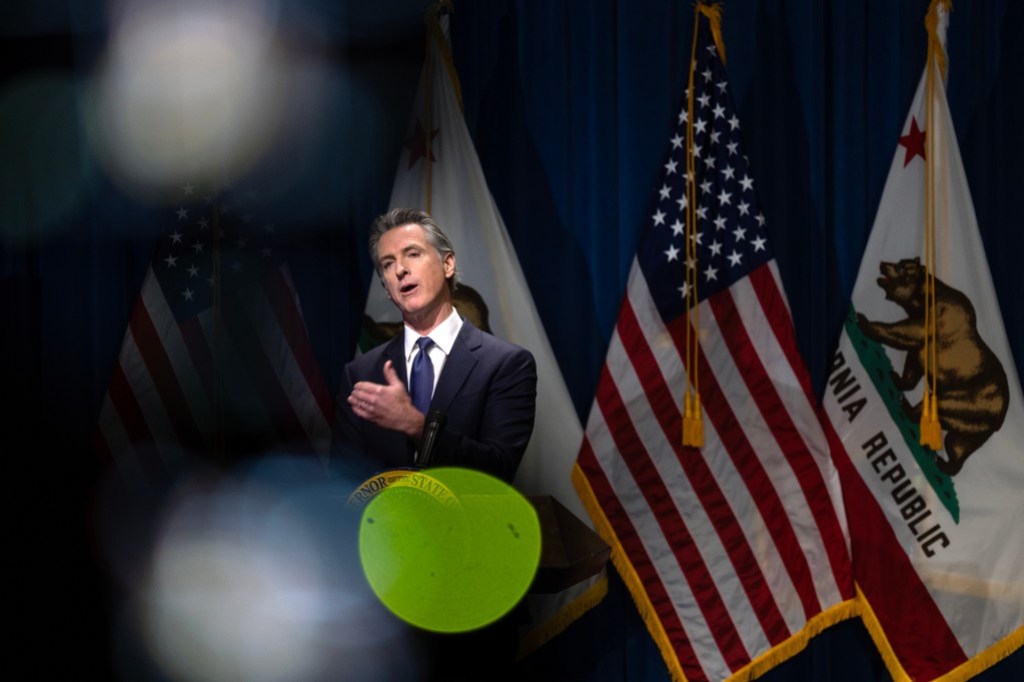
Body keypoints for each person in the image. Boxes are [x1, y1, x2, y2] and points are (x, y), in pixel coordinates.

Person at [332, 207, 537, 482]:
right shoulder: (360, 374)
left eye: (413, 254)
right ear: (386, 288)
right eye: (388, 264)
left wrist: (417, 426)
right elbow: (342, 483)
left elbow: (499, 468)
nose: (401, 270)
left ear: (447, 264)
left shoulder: (506, 364)